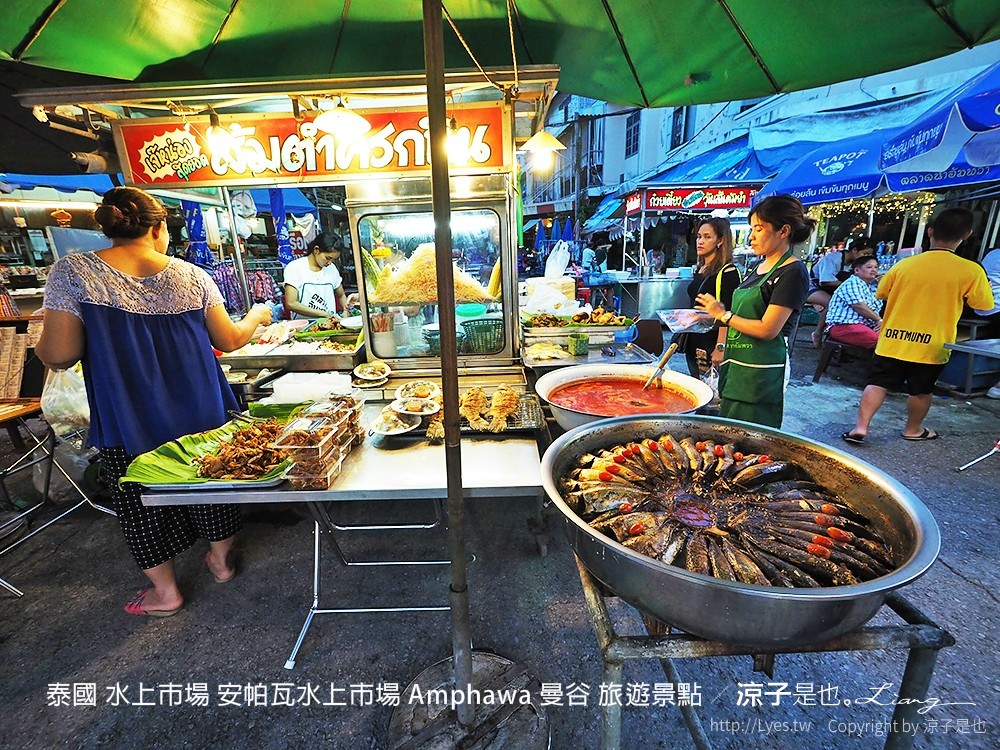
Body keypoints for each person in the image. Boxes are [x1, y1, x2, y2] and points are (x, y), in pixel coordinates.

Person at [35, 186, 273, 617]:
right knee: (211, 483)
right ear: (159, 228)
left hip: (130, 412)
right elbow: (230, 340)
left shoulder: (72, 273)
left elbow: (58, 354)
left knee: (138, 499)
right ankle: (220, 562)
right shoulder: (192, 274)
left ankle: (167, 592)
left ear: (108, 227)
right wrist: (256, 315)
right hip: (201, 405)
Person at [843, 208, 994, 444]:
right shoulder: (971, 270)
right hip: (932, 343)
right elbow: (983, 306)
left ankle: (861, 427)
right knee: (921, 390)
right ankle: (913, 429)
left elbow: (882, 293)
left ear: (930, 231)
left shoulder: (904, 265)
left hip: (893, 338)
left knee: (877, 383)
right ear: (967, 235)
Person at [695, 195, 813, 428]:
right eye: (752, 229)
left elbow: (768, 329)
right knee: (728, 434)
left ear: (783, 231)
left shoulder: (792, 272)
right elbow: (743, 316)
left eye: (759, 229)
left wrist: (723, 315)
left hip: (760, 373)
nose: (751, 236)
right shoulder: (757, 267)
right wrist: (707, 317)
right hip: (737, 366)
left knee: (752, 440)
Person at [681, 217, 741, 377]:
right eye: (699, 236)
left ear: (720, 241)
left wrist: (720, 347)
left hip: (712, 342)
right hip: (695, 340)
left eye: (707, 237)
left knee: (712, 394)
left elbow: (728, 313)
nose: (700, 241)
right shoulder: (701, 269)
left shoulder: (728, 273)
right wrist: (686, 315)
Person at [805, 237, 870, 347]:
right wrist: (846, 285)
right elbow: (825, 281)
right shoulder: (833, 258)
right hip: (811, 287)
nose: (866, 257)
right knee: (830, 303)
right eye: (865, 253)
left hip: (831, 291)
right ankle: (818, 333)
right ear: (854, 250)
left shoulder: (854, 265)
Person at [283, 232, 358, 319]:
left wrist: (346, 311)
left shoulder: (332, 268)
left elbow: (341, 295)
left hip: (330, 324)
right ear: (316, 250)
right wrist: (323, 314)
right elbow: (291, 303)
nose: (330, 263)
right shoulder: (295, 268)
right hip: (305, 326)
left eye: (333, 260)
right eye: (328, 258)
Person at [823, 254, 883, 349]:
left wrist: (883, 284)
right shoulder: (852, 282)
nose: (874, 270)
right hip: (844, 326)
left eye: (876, 267)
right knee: (881, 341)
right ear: (857, 270)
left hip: (863, 325)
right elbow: (859, 306)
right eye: (869, 267)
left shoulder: (871, 286)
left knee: (890, 336)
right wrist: (879, 320)